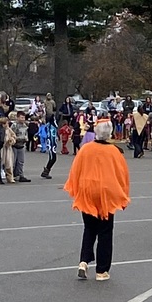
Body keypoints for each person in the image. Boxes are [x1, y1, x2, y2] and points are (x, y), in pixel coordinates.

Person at [63, 117, 130, 281]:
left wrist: (76, 188)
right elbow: (122, 175)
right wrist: (122, 194)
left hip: (88, 192)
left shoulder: (85, 149)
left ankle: (83, 261)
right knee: (105, 232)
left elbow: (75, 171)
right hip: (106, 193)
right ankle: (101, 270)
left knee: (89, 228)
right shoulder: (114, 151)